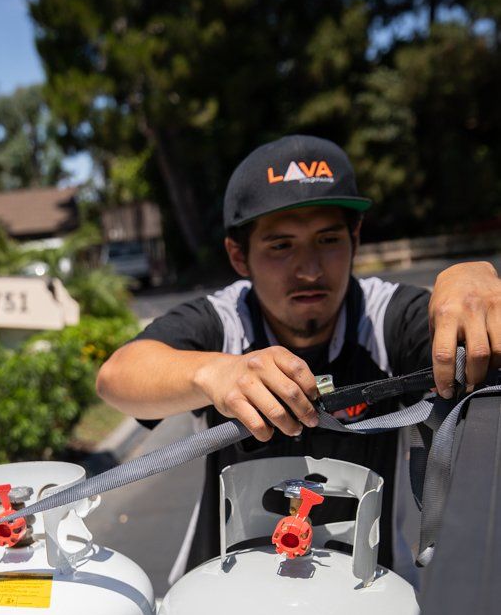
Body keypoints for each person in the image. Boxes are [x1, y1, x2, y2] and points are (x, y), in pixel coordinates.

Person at [96, 135, 501, 580]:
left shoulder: (385, 315)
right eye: (281, 245)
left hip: (369, 593)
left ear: (355, 239)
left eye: (328, 239)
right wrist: (215, 372)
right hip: (217, 591)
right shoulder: (224, 321)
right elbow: (117, 376)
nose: (309, 270)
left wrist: (470, 282)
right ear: (239, 256)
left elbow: (477, 352)